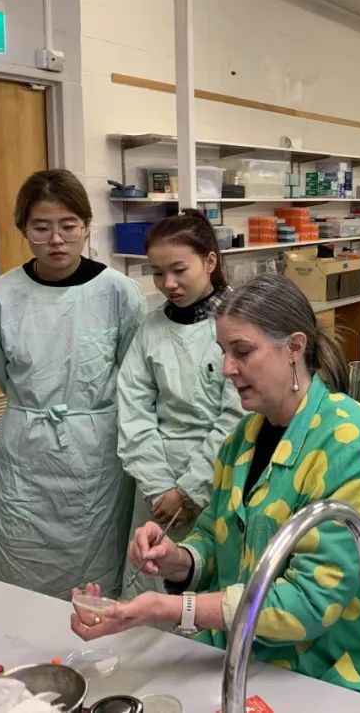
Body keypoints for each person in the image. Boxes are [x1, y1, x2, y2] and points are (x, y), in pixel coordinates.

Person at [70, 274, 360, 705]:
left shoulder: (355, 443)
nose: (227, 368)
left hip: (332, 676)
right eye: (223, 352)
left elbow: (309, 603)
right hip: (245, 662)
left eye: (242, 351)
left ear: (294, 347)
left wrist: (169, 608)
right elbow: (217, 537)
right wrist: (177, 559)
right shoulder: (242, 440)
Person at [0, 169, 146, 599]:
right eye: (41, 227)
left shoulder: (119, 292)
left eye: (68, 225)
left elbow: (133, 375)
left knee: (95, 570)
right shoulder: (0, 295)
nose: (56, 239)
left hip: (95, 450)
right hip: (26, 447)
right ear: (23, 229)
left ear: (86, 226)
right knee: (20, 560)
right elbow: (3, 371)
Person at [117, 210, 244, 599]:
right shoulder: (151, 328)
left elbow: (237, 417)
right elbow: (133, 410)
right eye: (157, 273)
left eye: (179, 270)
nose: (167, 283)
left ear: (210, 261)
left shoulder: (238, 324)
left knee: (212, 596)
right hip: (156, 488)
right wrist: (160, 489)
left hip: (221, 477)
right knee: (151, 591)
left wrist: (188, 492)